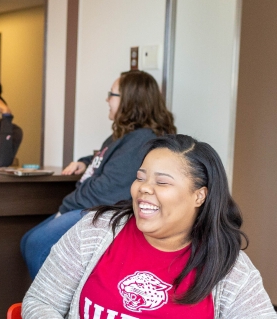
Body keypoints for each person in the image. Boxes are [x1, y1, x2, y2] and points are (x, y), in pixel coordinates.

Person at [22, 135, 277, 319]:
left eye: (161, 182)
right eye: (140, 177)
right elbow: (39, 302)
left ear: (199, 196)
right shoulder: (95, 231)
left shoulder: (227, 266)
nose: (144, 188)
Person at [21, 71, 176, 279]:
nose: (107, 99)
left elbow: (106, 190)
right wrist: (84, 162)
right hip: (87, 208)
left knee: (36, 245)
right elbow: (108, 159)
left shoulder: (140, 139)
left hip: (99, 211)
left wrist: (65, 206)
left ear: (130, 100)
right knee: (28, 240)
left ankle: (51, 306)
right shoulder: (126, 136)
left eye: (112, 94)